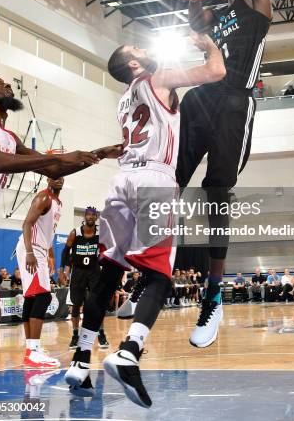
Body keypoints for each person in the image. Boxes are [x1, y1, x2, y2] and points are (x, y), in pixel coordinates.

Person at [64, 31, 226, 407]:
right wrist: (209, 46)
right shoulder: (158, 78)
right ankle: (129, 351)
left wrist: (102, 152)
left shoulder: (124, 100)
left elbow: (130, 141)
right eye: (139, 49)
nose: (147, 49)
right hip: (154, 180)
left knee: (110, 271)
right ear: (134, 65)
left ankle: (81, 358)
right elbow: (216, 71)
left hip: (121, 181)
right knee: (159, 275)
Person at [175, 0, 273, 349]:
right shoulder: (222, 13)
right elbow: (196, 35)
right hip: (202, 96)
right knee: (165, 180)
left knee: (217, 195)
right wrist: (196, 8)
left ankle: (213, 299)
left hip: (236, 101)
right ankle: (149, 266)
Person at [0, 74, 119, 416]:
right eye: (0, 83)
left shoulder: (10, 135)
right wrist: (48, 161)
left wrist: (98, 154)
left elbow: (54, 166)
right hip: (22, 246)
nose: (8, 87)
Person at [16, 177, 66, 368]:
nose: (58, 179)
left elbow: (49, 234)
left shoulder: (57, 202)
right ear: (47, 179)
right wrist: (30, 252)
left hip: (41, 249)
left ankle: (30, 351)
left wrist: (51, 255)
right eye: (54, 176)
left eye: (61, 175)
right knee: (43, 297)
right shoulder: (43, 197)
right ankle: (34, 351)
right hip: (32, 247)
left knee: (32, 298)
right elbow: (27, 224)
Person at [58, 207, 109, 350]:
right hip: (78, 272)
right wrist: (63, 270)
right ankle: (75, 335)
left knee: (97, 304)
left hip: (94, 271)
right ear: (85, 217)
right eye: (88, 215)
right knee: (76, 304)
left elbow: (107, 251)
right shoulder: (75, 233)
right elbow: (65, 251)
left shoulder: (101, 234)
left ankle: (101, 334)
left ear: (96, 217)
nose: (91, 217)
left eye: (94, 215)